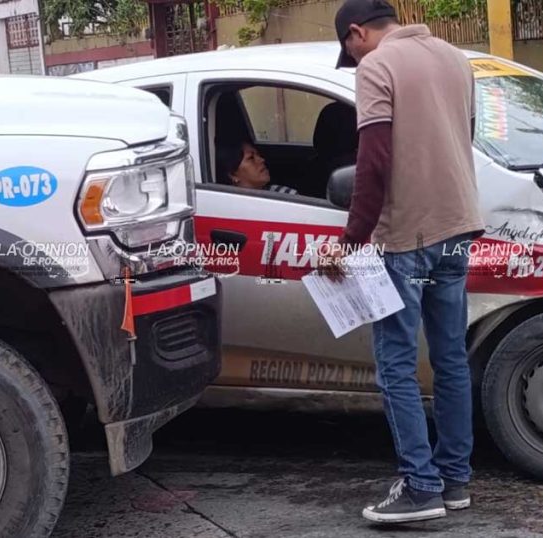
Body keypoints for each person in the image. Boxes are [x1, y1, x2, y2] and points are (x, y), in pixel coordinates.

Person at [324, 0, 484, 524]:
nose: (353, 60)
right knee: (451, 359)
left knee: (395, 364)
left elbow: (373, 161)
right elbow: (467, 137)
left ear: (355, 35)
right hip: (458, 226)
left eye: (348, 51)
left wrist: (351, 240)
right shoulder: (456, 59)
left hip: (408, 237)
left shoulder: (377, 66)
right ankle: (455, 479)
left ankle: (420, 486)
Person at [216, 140, 298, 194]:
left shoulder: (286, 195)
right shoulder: (225, 203)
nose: (261, 160)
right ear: (233, 175)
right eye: (251, 158)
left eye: (258, 155)